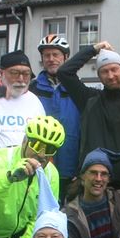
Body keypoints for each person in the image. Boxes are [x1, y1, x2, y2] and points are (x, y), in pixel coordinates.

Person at [56, 41, 120, 189]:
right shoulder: (88, 99)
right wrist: (94, 49)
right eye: (104, 71)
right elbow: (64, 72)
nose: (110, 76)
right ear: (98, 75)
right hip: (94, 179)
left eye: (114, 69)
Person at [30, 35, 81, 199]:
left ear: (65, 57)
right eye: (46, 55)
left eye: (56, 54)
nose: (51, 59)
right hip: (39, 164)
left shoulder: (77, 89)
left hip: (70, 168)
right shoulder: (32, 89)